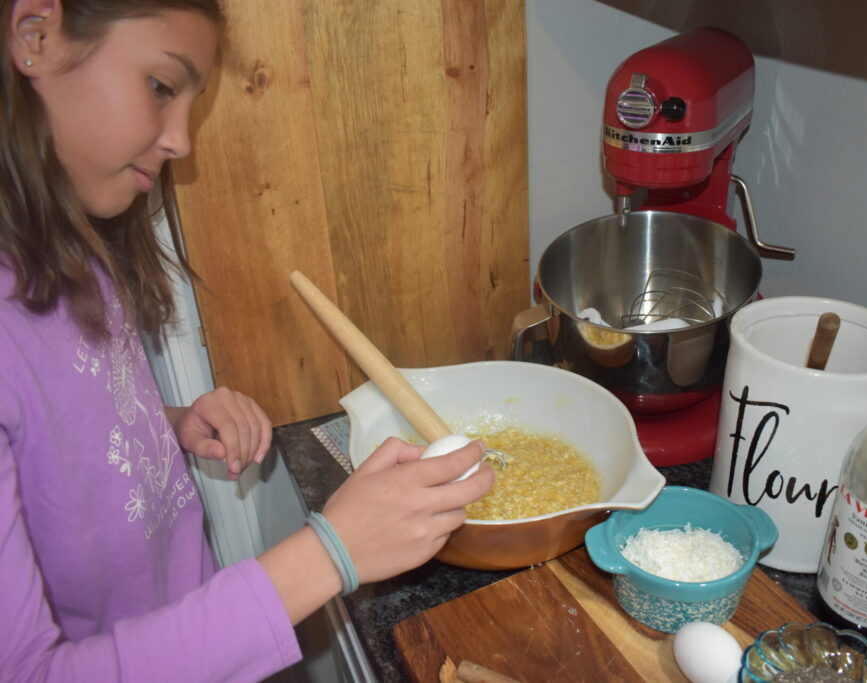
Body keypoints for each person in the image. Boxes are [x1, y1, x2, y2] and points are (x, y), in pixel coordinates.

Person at [0, 0, 496, 680]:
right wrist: (331, 553)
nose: (182, 141)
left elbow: (58, 436)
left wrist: (170, 423)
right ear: (37, 36)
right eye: (160, 87)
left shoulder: (72, 242)